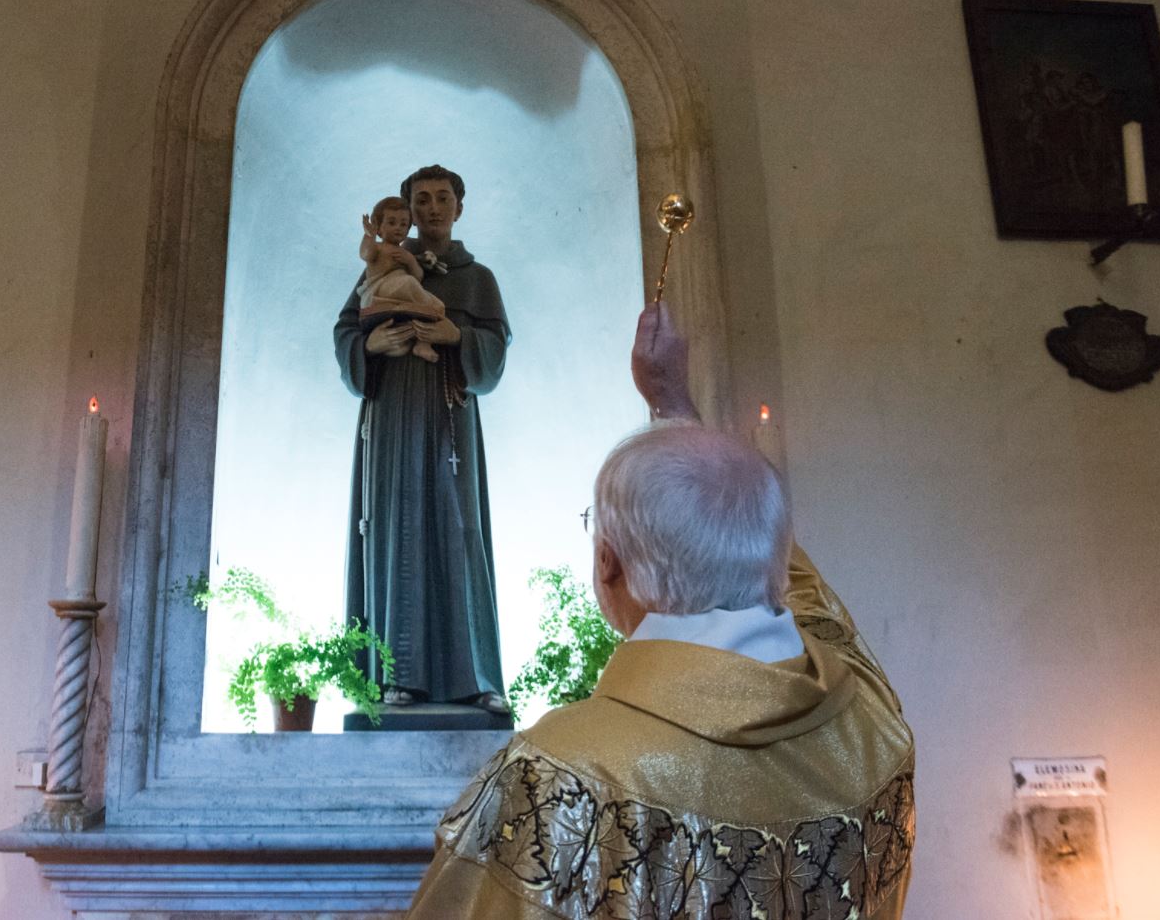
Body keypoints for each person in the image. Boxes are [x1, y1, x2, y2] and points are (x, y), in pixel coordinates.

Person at [408, 305, 915, 918]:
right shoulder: (871, 721)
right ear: (773, 562)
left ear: (608, 563)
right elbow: (803, 596)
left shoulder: (557, 780)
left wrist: (671, 407)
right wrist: (676, 406)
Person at [334, 164, 511, 715]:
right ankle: (397, 676)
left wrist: (457, 335)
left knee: (460, 533)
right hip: (390, 423)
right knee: (394, 531)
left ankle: (476, 677)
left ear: (459, 206)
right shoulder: (384, 265)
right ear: (407, 211)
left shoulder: (475, 278)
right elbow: (346, 329)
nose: (432, 208)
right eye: (421, 200)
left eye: (442, 198)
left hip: (449, 422)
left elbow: (495, 350)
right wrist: (371, 348)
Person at [355, 196, 447, 363]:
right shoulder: (377, 248)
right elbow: (365, 254)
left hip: (401, 292)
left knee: (438, 305)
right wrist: (369, 236)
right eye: (391, 223)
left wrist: (411, 261)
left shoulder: (406, 254)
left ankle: (422, 343)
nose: (398, 228)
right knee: (408, 283)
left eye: (403, 224)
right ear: (379, 227)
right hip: (378, 291)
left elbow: (418, 277)